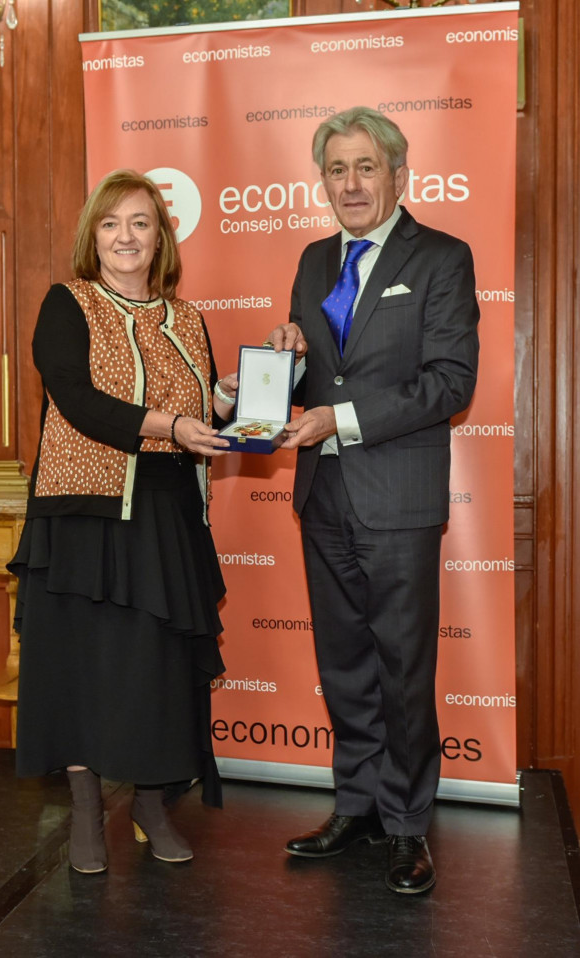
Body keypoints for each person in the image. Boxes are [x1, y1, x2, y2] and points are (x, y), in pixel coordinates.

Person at [265, 106, 479, 894]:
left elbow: (450, 383)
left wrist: (341, 418)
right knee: (345, 666)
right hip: (322, 496)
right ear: (321, 181)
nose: (350, 184)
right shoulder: (314, 260)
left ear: (398, 174)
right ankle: (353, 806)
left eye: (364, 167)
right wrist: (283, 358)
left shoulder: (442, 258)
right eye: (335, 169)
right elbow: (316, 372)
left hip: (398, 499)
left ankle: (405, 826)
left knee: (400, 671)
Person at [8, 169, 237, 874]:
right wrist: (172, 424)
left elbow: (212, 410)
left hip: (166, 519)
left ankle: (147, 804)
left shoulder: (188, 319)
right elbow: (76, 400)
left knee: (154, 673)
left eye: (140, 223)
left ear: (161, 238)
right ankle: (83, 810)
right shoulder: (66, 303)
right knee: (78, 669)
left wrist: (253, 386)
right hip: (84, 515)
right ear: (93, 237)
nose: (126, 237)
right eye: (111, 224)